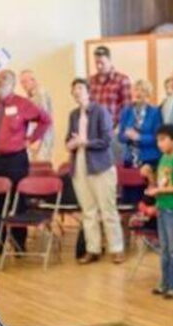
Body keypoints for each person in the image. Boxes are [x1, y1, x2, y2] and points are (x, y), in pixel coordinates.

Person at [0, 69, 51, 252]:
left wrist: (31, 139)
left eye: (6, 80)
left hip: (15, 159)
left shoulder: (22, 104)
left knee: (17, 202)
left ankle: (19, 244)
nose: (1, 83)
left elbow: (45, 120)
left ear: (13, 83)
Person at [65, 78, 124, 264]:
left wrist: (85, 142)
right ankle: (93, 248)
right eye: (74, 89)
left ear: (89, 91)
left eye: (80, 88)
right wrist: (71, 144)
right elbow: (69, 138)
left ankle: (117, 248)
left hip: (100, 165)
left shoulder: (100, 111)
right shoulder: (74, 114)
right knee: (88, 210)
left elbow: (107, 139)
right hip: (80, 164)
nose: (77, 92)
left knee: (108, 210)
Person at [147, 124, 173, 298]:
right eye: (158, 140)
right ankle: (165, 283)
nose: (160, 144)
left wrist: (161, 191)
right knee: (164, 248)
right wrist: (149, 176)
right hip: (162, 206)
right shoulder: (163, 157)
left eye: (163, 140)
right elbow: (161, 183)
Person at [117, 79, 162, 169]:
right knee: (129, 183)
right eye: (136, 90)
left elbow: (158, 137)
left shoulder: (155, 112)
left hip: (149, 157)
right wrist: (127, 135)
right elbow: (120, 137)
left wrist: (139, 137)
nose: (138, 93)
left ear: (148, 94)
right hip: (130, 157)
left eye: (142, 90)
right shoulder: (126, 111)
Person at [87, 46, 132, 122]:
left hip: (114, 128)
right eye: (97, 63)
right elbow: (88, 106)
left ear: (110, 61)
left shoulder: (122, 79)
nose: (99, 66)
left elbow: (127, 108)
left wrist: (119, 128)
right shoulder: (91, 80)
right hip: (95, 128)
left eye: (102, 63)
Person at [19, 70, 55, 163]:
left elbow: (44, 119)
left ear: (33, 80)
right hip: (33, 138)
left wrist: (37, 139)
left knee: (40, 167)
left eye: (25, 81)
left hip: (41, 138)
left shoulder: (40, 94)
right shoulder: (29, 97)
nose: (23, 85)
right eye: (22, 82)